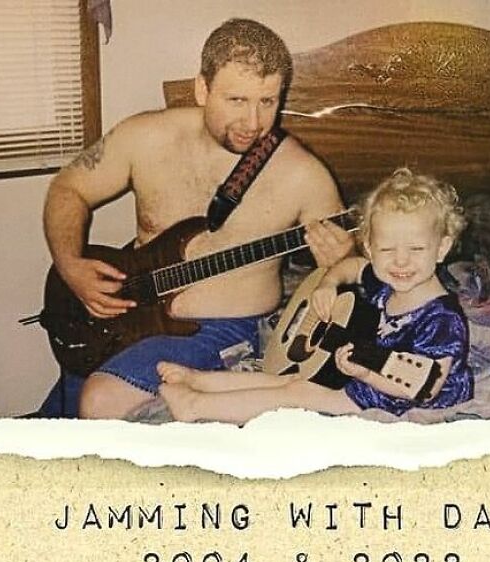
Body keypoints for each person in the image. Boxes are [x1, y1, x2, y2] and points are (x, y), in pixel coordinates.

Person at [41, 17, 352, 420]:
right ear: (202, 89)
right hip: (135, 308)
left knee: (100, 399)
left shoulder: (303, 175)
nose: (253, 122)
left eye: (268, 102)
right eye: (237, 101)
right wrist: (70, 265)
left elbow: (349, 265)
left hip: (223, 328)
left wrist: (342, 257)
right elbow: (68, 189)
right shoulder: (145, 137)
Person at [155, 166, 474, 424]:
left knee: (296, 395)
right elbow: (351, 267)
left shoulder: (442, 319)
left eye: (416, 249)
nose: (400, 261)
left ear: (442, 248)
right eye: (387, 249)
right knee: (292, 380)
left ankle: (195, 406)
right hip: (363, 376)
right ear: (370, 247)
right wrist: (328, 284)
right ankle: (199, 380)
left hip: (393, 398)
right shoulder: (386, 281)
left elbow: (427, 386)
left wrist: (365, 373)